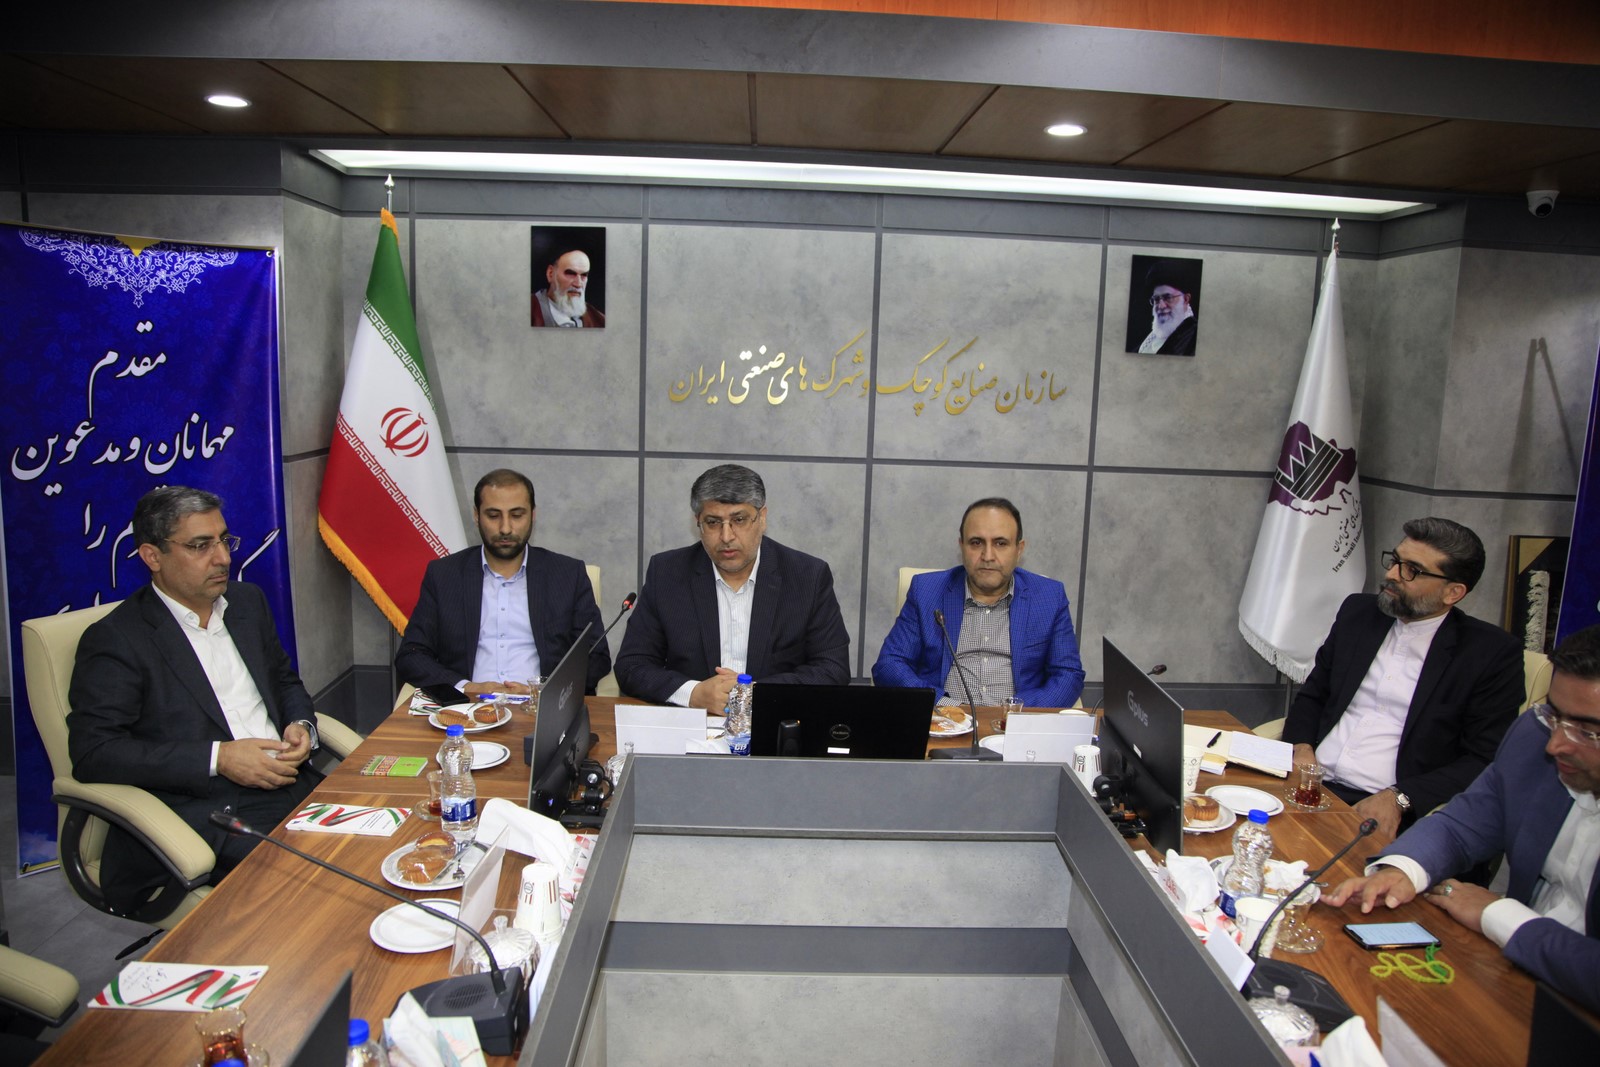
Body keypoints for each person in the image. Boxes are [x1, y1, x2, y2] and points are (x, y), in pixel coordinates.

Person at [67, 486, 322, 914]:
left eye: (224, 540)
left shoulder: (247, 602)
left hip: (291, 781)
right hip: (207, 809)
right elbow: (94, 753)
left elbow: (283, 680)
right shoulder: (117, 639)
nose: (222, 558)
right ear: (152, 556)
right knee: (318, 886)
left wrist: (301, 725)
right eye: (200, 546)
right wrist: (220, 758)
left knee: (392, 838)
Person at [1324, 624, 1600, 1014]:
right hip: (1515, 975)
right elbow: (1464, 823)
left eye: (1587, 732)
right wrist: (1404, 869)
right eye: (1555, 715)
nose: (1555, 745)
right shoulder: (1534, 736)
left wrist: (1499, 915)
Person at [1284, 517, 1523, 841]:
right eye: (1395, 560)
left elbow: (1483, 759)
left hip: (1387, 808)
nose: (1392, 574)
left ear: (1453, 592)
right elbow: (1315, 694)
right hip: (1311, 785)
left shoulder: (1490, 654)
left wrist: (1400, 798)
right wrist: (1300, 750)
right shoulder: (1359, 614)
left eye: (1412, 570)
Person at [613, 463, 850, 709]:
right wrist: (693, 694)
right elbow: (632, 665)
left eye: (739, 520)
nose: (726, 536)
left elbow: (833, 668)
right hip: (691, 723)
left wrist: (755, 695)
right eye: (713, 522)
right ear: (698, 523)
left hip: (772, 720)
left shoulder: (807, 577)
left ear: (762, 518)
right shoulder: (666, 573)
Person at [396, 469, 609, 701]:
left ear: (533, 515)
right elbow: (412, 655)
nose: (505, 528)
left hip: (541, 708)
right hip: (466, 708)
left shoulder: (567, 575)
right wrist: (467, 687)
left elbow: (596, 656)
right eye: (493, 515)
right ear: (477, 515)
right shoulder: (445, 575)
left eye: (517, 515)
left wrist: (541, 690)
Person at [872, 498, 1085, 708]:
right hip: (943, 721)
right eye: (976, 543)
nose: (988, 556)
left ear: (1019, 549)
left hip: (1016, 723)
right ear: (962, 546)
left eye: (1000, 543)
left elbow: (1068, 674)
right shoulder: (926, 592)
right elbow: (889, 665)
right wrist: (945, 706)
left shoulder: (1049, 597)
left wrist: (1015, 713)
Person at [1136, 259, 1198, 355]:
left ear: (1186, 299)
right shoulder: (1152, 338)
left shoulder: (1193, 337)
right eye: (1156, 299)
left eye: (1168, 297)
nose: (1161, 306)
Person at [531, 248, 604, 328]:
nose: (578, 284)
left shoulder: (599, 320)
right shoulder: (526, 310)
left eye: (584, 275)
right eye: (570, 274)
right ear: (550, 273)